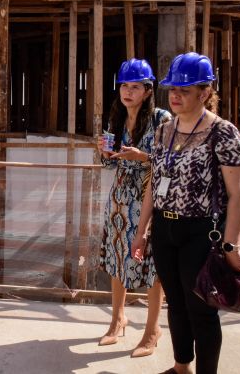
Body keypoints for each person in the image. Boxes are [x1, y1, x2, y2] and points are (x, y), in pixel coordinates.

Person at [132, 52, 240, 374]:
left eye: (185, 90)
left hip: (202, 232)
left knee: (201, 310)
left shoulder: (223, 133)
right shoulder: (163, 131)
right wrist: (142, 231)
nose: (176, 96)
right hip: (166, 230)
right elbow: (153, 183)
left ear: (206, 92)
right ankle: (181, 367)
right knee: (177, 304)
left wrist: (231, 245)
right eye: (173, 90)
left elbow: (239, 194)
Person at [96, 58, 171, 357]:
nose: (128, 91)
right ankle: (118, 320)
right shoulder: (116, 117)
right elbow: (106, 162)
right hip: (119, 200)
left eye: (135, 86)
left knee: (152, 264)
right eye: (124, 85)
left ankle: (153, 329)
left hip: (149, 198)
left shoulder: (161, 119)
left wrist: (142, 157)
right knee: (117, 257)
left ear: (148, 90)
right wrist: (104, 153)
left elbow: (168, 162)